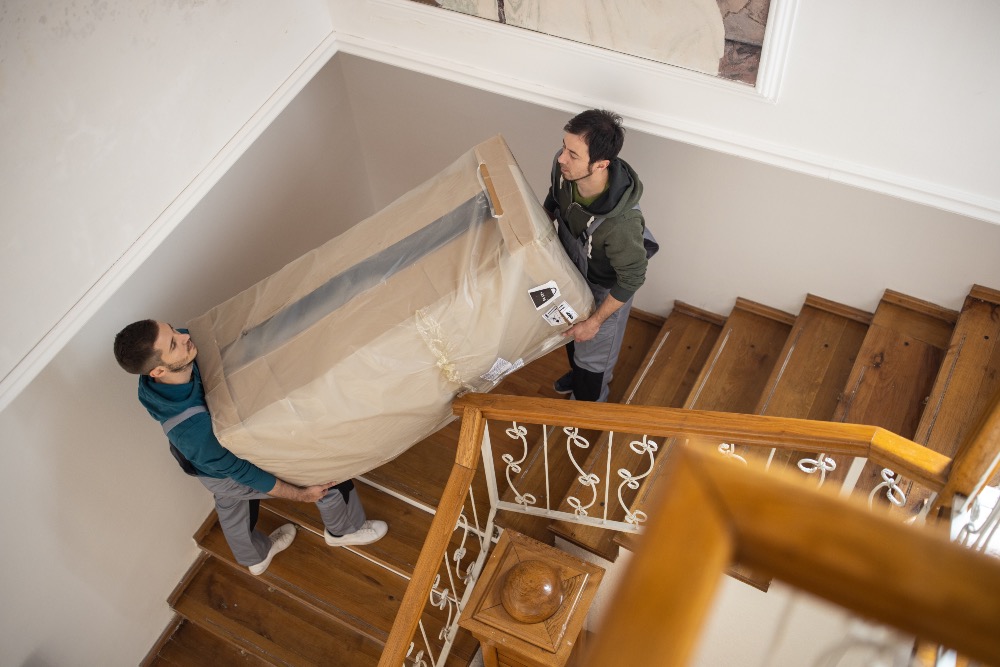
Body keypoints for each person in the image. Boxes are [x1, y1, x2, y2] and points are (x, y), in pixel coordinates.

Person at [114, 320, 387, 575]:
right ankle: (344, 530)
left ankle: (254, 557)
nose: (184, 336)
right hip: (224, 470)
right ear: (158, 371)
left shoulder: (162, 376)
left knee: (232, 504)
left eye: (174, 330)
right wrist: (302, 495)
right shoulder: (192, 429)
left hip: (208, 462)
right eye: (174, 343)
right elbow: (244, 473)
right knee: (323, 473)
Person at [544, 109, 653, 402]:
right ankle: (577, 373)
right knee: (570, 332)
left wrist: (595, 322)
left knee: (592, 360)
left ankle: (588, 402)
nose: (561, 158)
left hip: (603, 292)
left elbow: (632, 278)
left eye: (573, 155)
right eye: (564, 147)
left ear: (601, 164)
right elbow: (554, 197)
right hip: (570, 269)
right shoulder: (564, 171)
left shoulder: (621, 224)